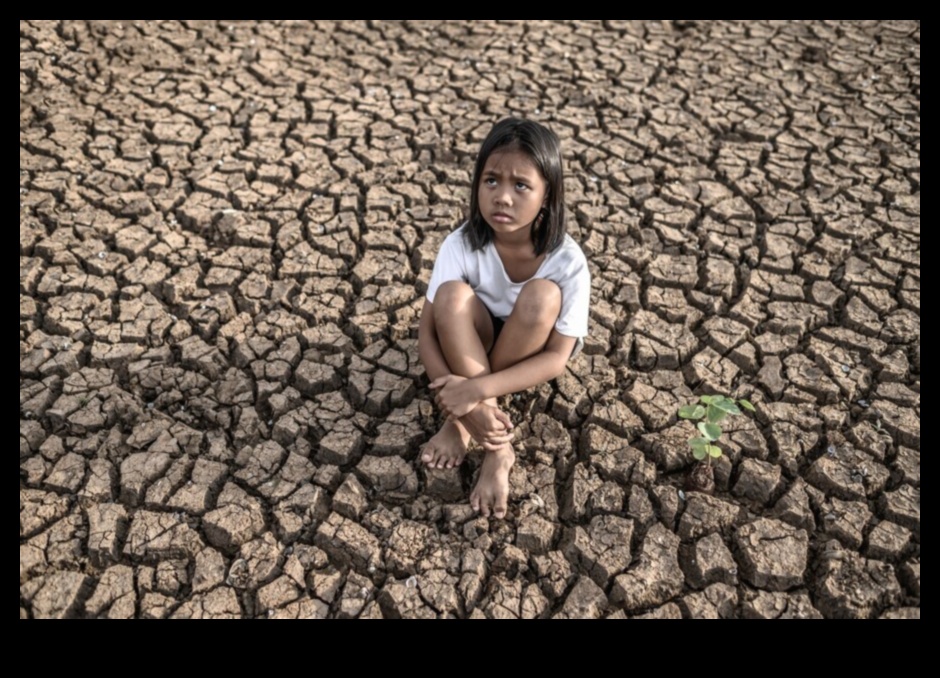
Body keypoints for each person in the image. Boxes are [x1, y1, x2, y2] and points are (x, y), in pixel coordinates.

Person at [417, 117, 591, 519]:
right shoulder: (460, 244)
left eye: (521, 185)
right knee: (451, 296)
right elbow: (427, 334)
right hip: (473, 335)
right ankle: (497, 446)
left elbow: (556, 358)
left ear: (548, 195)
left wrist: (470, 394)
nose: (503, 197)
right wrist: (463, 405)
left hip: (529, 345)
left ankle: (473, 433)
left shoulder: (567, 261)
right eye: (491, 180)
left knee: (541, 296)